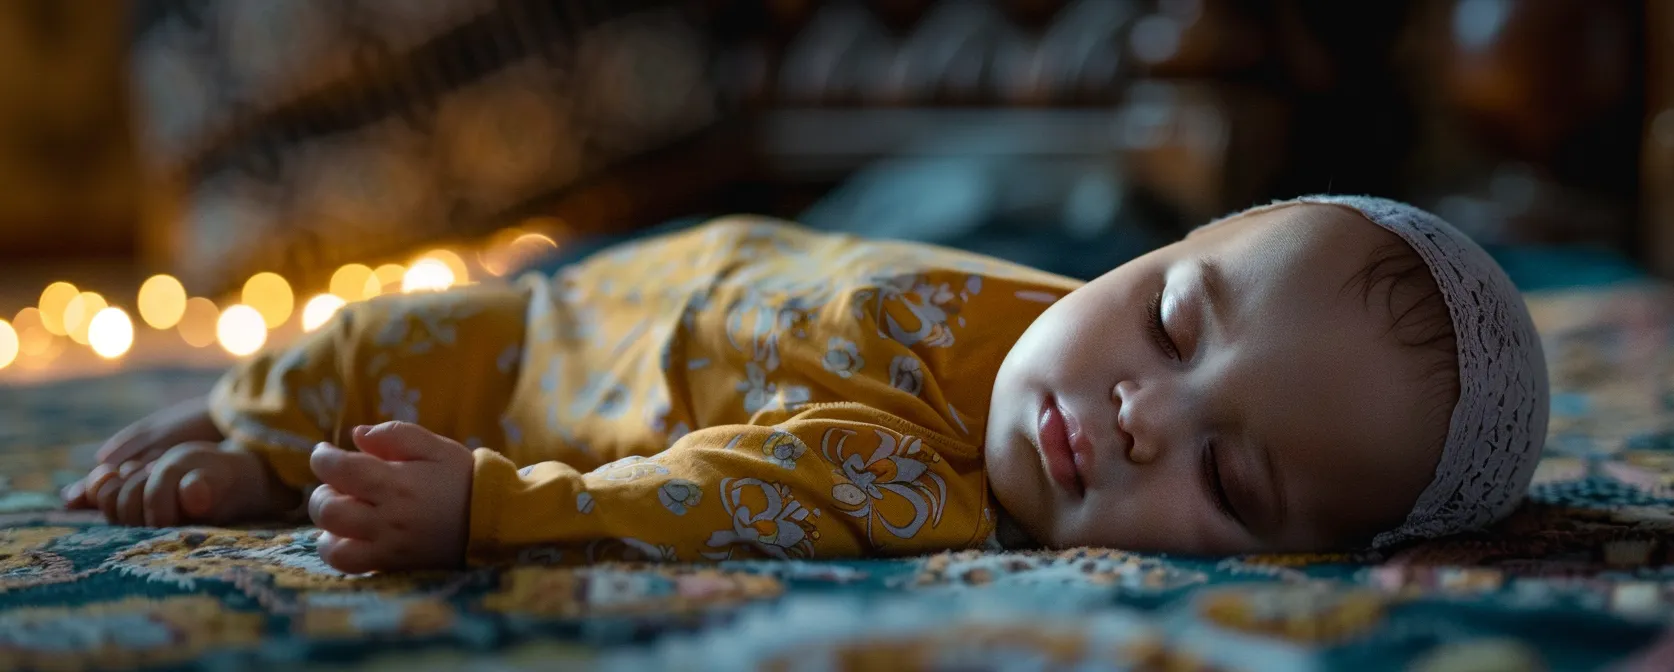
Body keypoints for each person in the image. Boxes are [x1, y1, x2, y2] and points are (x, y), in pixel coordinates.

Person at [64, 196, 1548, 574]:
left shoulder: (898, 483)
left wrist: (492, 508)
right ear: (1164, 249)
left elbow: (699, 505)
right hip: (588, 289)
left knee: (407, 366)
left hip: (527, 392)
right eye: (1169, 318)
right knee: (365, 332)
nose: (1139, 414)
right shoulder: (1040, 311)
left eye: (1227, 481)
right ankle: (248, 409)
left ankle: (268, 462)